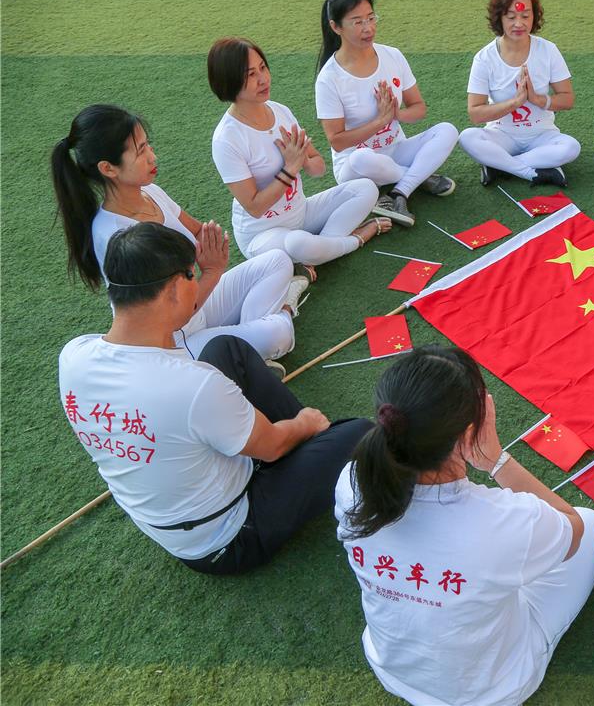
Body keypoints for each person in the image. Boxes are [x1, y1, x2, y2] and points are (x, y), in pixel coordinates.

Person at [58, 223, 371, 574]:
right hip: (230, 537)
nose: (198, 283)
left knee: (225, 348)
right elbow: (271, 447)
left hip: (178, 522)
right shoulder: (193, 385)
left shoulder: (74, 354)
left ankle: (306, 451)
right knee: (359, 432)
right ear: (174, 288)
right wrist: (304, 424)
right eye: (193, 274)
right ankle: (315, 448)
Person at [335, 346, 594, 706]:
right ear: (470, 432)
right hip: (487, 692)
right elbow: (572, 529)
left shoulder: (351, 482)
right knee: (590, 522)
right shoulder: (501, 521)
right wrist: (496, 460)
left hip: (390, 666)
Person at [51, 104, 303, 365]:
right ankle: (276, 319)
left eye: (148, 145)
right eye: (140, 151)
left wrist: (211, 243)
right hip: (175, 343)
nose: (152, 156)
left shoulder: (150, 193)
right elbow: (174, 316)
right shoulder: (118, 236)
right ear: (108, 168)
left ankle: (246, 354)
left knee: (277, 260)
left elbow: (199, 232)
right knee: (279, 333)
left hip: (198, 307)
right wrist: (212, 271)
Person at [208, 37, 388, 275]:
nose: (263, 78)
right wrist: (290, 169)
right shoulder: (227, 138)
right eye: (251, 74)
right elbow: (255, 207)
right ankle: (356, 239)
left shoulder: (280, 111)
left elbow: (318, 167)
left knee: (365, 188)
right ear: (229, 81)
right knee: (299, 243)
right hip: (263, 234)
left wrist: (303, 160)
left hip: (301, 214)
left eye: (263, 67)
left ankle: (321, 251)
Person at [315, 0, 460, 227]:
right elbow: (337, 141)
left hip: (395, 148)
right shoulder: (329, 78)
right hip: (356, 165)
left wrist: (397, 114)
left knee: (447, 130)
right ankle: (418, 176)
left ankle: (399, 191)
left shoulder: (392, 55)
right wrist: (379, 122)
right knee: (362, 158)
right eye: (357, 22)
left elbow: (418, 108)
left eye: (371, 18)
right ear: (336, 27)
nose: (368, 28)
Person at [459, 0, 579, 188]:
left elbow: (567, 99)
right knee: (467, 137)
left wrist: (538, 99)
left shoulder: (548, 50)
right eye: (511, 17)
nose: (519, 23)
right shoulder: (484, 58)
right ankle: (533, 171)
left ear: (534, 17)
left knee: (570, 147)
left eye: (525, 16)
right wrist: (515, 102)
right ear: (499, 18)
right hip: (501, 135)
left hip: (542, 134)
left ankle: (498, 165)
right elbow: (475, 113)